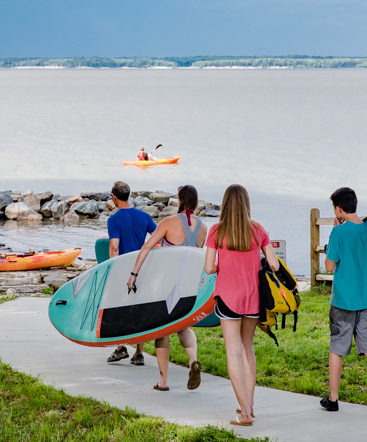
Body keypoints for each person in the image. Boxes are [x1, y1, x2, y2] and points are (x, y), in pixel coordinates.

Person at [203, 184, 278, 427]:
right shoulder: (258, 230)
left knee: (233, 352)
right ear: (246, 203)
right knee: (247, 348)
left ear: (225, 203)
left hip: (228, 298)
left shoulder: (217, 231)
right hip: (253, 298)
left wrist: (224, 265)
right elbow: (274, 265)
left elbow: (209, 268)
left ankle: (243, 414)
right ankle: (250, 404)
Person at [127, 184, 208, 391]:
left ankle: (163, 382)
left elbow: (146, 247)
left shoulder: (168, 222)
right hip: (189, 287)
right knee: (183, 326)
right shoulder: (203, 227)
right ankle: (192, 361)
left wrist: (134, 274)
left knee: (161, 331)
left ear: (180, 200)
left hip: (167, 285)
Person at [321, 186, 367, 415]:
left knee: (338, 348)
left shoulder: (338, 233)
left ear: (338, 209)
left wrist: (332, 241)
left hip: (343, 301)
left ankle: (333, 399)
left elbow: (330, 266)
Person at [106, 180, 158, 366]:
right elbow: (157, 242)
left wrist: (110, 270)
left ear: (114, 197)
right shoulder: (144, 216)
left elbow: (114, 248)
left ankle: (121, 348)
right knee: (139, 309)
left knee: (121, 308)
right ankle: (139, 354)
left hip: (124, 270)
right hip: (142, 269)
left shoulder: (114, 219)